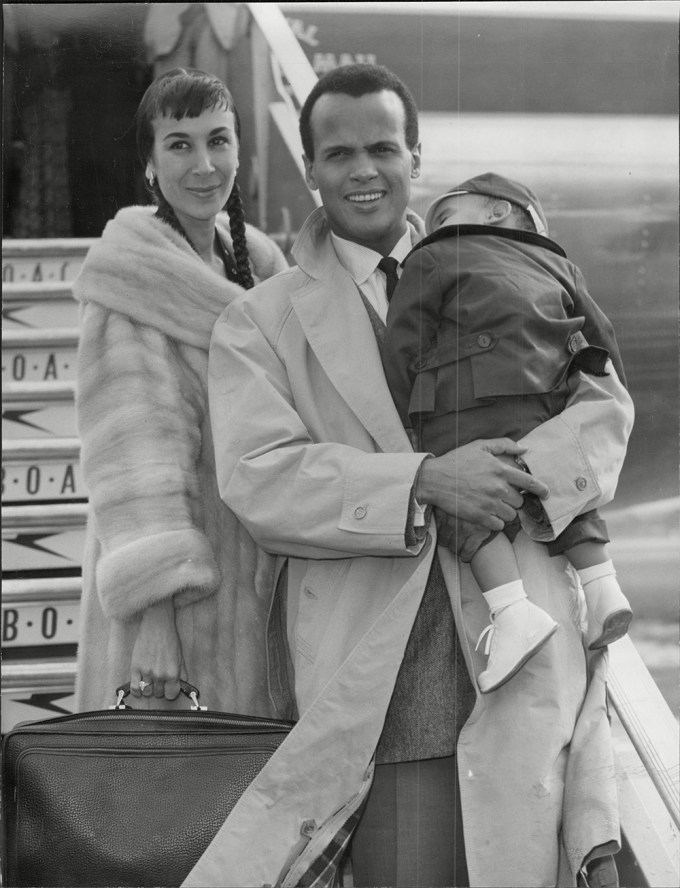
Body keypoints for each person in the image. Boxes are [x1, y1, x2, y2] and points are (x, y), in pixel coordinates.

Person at [185, 64, 633, 888]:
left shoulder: (515, 262)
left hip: (528, 644)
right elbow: (260, 479)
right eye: (339, 154)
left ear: (416, 158)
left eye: (383, 149)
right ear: (310, 169)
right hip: (383, 676)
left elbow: (604, 408)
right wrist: (424, 482)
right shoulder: (260, 320)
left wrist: (508, 474)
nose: (363, 171)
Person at [73, 68, 287, 714]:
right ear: (149, 164)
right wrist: (156, 619)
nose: (203, 165)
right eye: (179, 145)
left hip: (251, 596)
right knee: (167, 776)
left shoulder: (258, 268)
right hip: (174, 607)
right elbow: (135, 463)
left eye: (218, 140)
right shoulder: (132, 279)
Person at [382, 171, 633, 694]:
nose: (434, 225)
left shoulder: (436, 255)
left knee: (466, 500)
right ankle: (603, 587)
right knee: (556, 481)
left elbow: (405, 338)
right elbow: (602, 337)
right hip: (545, 396)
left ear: (497, 210)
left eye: (444, 214)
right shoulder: (559, 264)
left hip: (461, 399)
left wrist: (405, 407)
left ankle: (513, 613)